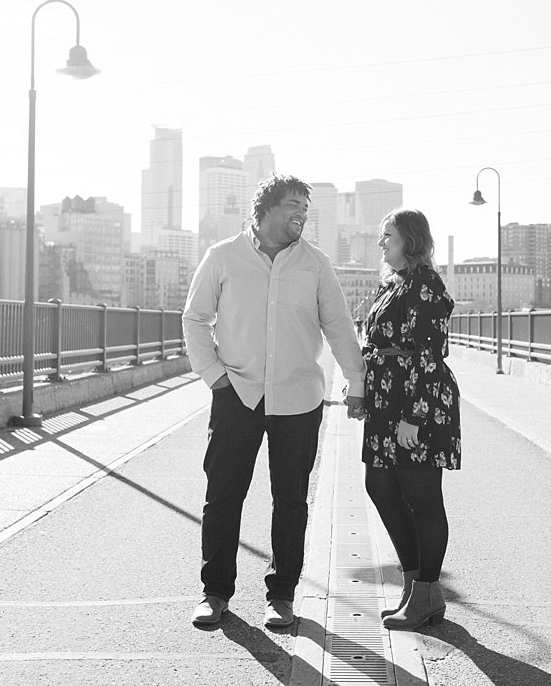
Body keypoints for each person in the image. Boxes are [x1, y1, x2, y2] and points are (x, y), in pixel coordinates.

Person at [182, 174, 366, 629]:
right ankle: (215, 593)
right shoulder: (222, 256)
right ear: (263, 210)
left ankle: (281, 596)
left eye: (305, 203)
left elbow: (339, 326)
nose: (302, 211)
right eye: (292, 203)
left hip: (299, 399)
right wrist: (215, 378)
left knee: (290, 501)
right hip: (236, 394)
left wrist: (356, 381)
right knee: (223, 497)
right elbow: (195, 318)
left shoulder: (317, 264)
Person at [359, 208, 460, 630]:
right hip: (386, 402)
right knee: (379, 485)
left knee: (422, 497)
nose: (382, 243)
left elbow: (427, 356)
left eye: (389, 236)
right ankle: (417, 586)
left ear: (411, 241)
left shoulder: (425, 285)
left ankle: (426, 593)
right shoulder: (393, 284)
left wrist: (413, 418)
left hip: (415, 404)